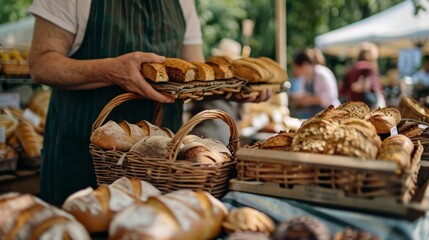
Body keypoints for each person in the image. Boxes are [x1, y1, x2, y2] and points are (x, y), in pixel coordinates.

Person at [29, 0, 269, 205]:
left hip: (163, 165)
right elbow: (41, 65)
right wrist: (110, 70)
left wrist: (235, 91)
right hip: (84, 163)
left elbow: (195, 74)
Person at [290, 49, 340, 118]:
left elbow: (330, 97)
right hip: (316, 115)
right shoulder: (304, 77)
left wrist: (308, 100)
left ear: (304, 65)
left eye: (296, 68)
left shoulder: (321, 73)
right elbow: (302, 94)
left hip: (331, 114)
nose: (295, 71)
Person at [340, 43, 384, 109]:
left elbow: (342, 90)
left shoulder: (352, 68)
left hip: (352, 105)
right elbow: (371, 87)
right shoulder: (368, 67)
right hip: (366, 106)